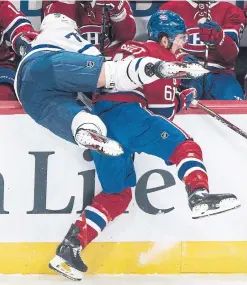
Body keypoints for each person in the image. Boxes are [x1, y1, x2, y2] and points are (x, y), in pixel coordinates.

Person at [48, 11, 240, 281]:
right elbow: (162, 112)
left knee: (117, 194)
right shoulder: (157, 53)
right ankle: (198, 195)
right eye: (179, 39)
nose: (181, 45)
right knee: (185, 147)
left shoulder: (118, 49)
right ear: (163, 39)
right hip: (128, 116)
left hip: (98, 124)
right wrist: (182, 99)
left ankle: (69, 249)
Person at [159, 0, 246, 100]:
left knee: (233, 105)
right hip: (182, 71)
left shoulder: (231, 11)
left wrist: (220, 38)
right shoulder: (169, 9)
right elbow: (159, 50)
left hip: (220, 73)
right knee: (176, 101)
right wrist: (180, 58)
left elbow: (230, 56)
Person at [42, 0, 136, 52]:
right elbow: (54, 34)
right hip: (70, 61)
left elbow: (127, 36)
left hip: (107, 61)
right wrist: (67, 3)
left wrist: (117, 12)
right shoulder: (54, 2)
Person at [0, 1, 38, 100]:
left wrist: (25, 41)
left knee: (4, 95)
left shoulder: (2, 5)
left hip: (1, 65)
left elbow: (20, 27)